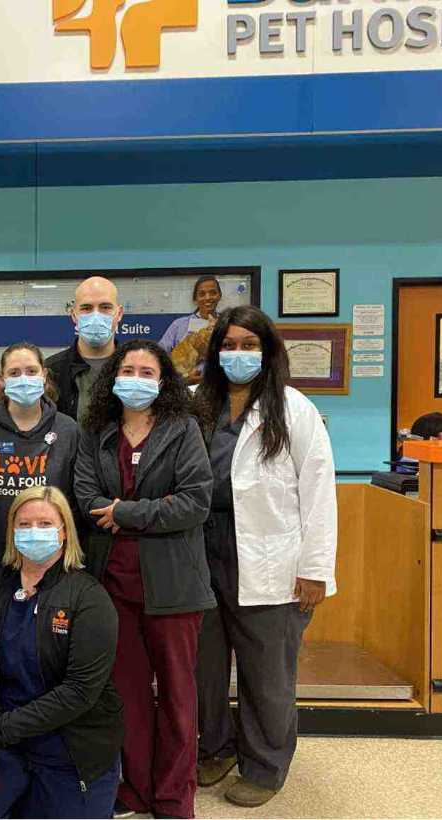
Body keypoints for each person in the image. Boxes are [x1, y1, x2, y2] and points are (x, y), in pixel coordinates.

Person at [192, 305, 337, 808]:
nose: (237, 354)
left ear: (268, 352)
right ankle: (215, 748)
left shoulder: (293, 409)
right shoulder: (197, 404)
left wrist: (315, 569)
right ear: (215, 353)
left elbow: (319, 491)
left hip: (270, 557)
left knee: (267, 673)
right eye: (228, 345)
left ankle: (265, 766)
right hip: (199, 551)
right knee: (203, 667)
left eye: (248, 345)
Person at [74, 339, 214, 820]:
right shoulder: (96, 432)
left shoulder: (184, 429)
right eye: (127, 369)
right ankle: (133, 789)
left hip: (174, 585)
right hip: (112, 585)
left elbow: (194, 501)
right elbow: (86, 498)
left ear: (163, 381)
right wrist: (121, 513)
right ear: (112, 378)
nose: (135, 378)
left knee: (177, 695)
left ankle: (174, 797)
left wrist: (126, 512)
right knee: (126, 696)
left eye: (146, 371)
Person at [0, 486, 123, 819]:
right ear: (10, 532)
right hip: (3, 738)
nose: (33, 532)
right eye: (23, 525)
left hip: (67, 745)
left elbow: (79, 692)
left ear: (64, 532)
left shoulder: (89, 598)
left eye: (44, 523)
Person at [0, 342, 80, 572]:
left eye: (32, 371)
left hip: (53, 557)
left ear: (44, 375)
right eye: (14, 373)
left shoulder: (68, 430)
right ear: (1, 378)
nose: (24, 378)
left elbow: (75, 501)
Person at [46, 276, 124, 424]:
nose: (96, 316)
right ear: (74, 315)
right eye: (86, 308)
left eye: (105, 307)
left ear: (119, 314)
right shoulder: (51, 371)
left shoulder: (136, 370)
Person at [159, 275, 223, 356]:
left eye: (213, 293)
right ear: (195, 299)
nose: (207, 297)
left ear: (219, 295)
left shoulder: (226, 324)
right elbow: (159, 354)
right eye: (202, 294)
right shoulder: (179, 325)